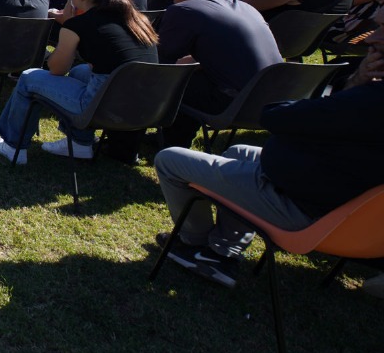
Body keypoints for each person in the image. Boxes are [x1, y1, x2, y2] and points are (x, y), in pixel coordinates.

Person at [154, 20, 384, 288]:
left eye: (380, 37)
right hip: (326, 194)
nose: (371, 40)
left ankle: (193, 244)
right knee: (237, 150)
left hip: (303, 209)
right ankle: (222, 250)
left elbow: (277, 116)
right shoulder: (369, 102)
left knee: (169, 160)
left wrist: (357, 84)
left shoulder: (372, 103)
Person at [0, 0, 158, 163]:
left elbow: (57, 69)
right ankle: (80, 143)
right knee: (80, 72)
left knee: (29, 78)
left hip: (102, 108)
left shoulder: (80, 24)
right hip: (147, 107)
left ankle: (13, 146)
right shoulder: (137, 20)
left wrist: (68, 24)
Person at [155, 0, 282, 149]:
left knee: (172, 81)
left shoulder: (185, 10)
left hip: (234, 102)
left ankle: (172, 143)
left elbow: (161, 60)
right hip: (272, 98)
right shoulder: (244, 7)